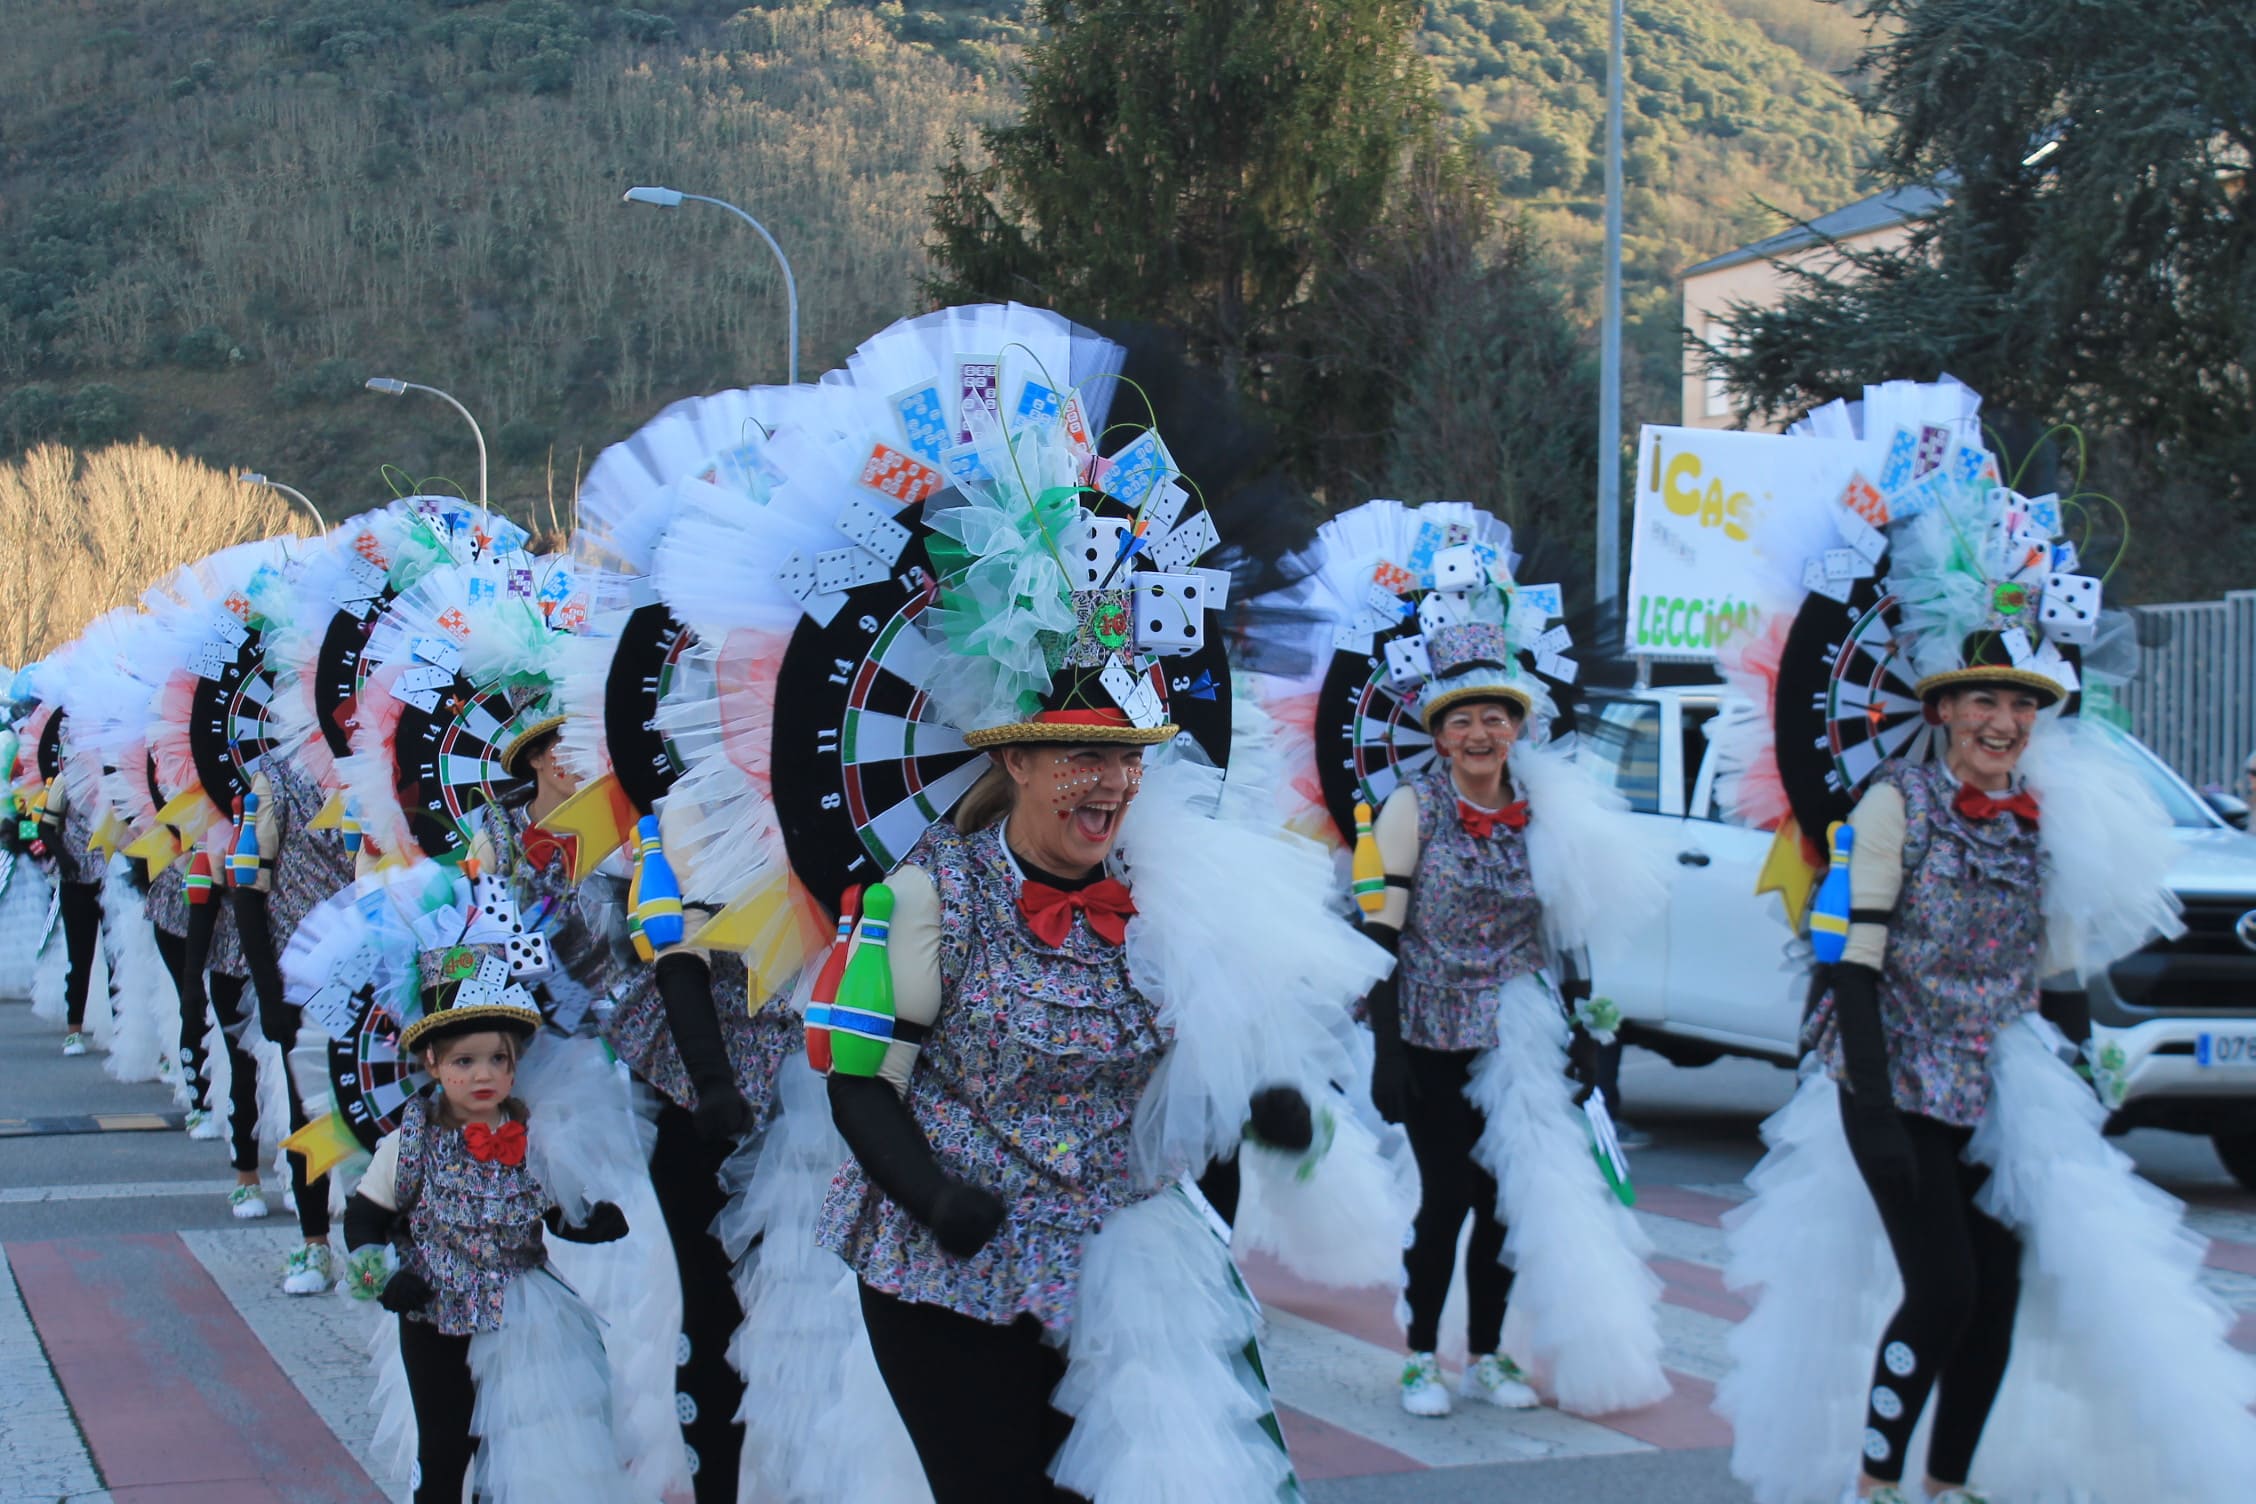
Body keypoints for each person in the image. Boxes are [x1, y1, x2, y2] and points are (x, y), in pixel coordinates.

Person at [1716, 379, 2256, 1504]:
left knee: (2001, 1285)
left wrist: (2075, 1094)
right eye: (1979, 702)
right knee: (1946, 1287)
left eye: (2019, 702)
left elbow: (2056, 977)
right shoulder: (1888, 807)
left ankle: (1947, 1484)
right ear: (1944, 708)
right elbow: (1848, 969)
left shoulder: (2049, 821)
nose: (2001, 721)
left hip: (2001, 1081)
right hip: (1894, 1073)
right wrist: (1873, 1108)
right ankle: (1877, 1481)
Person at [1298, 502, 1669, 1422]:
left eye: (1494, 717)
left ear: (1516, 726)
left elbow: (1566, 930)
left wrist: (1589, 1035)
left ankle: (1496, 1354)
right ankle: (1424, 1354)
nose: (1478, 734)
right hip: (1428, 1030)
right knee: (1450, 1197)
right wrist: (1383, 1052)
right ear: (1439, 729)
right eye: (1462, 718)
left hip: (1519, 1029)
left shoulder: (1548, 811)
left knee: (1509, 1201)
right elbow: (1379, 937)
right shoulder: (1408, 812)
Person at [342, 939, 640, 1504]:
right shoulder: (408, 1143)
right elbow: (363, 1221)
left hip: (522, 1312)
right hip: (432, 1306)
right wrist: (382, 1274)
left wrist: (591, 1222)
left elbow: (556, 1215)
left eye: (497, 1059)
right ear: (431, 1061)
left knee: (517, 1445)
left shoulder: (534, 1138)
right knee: (445, 1446)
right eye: (464, 1061)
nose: (483, 1075)